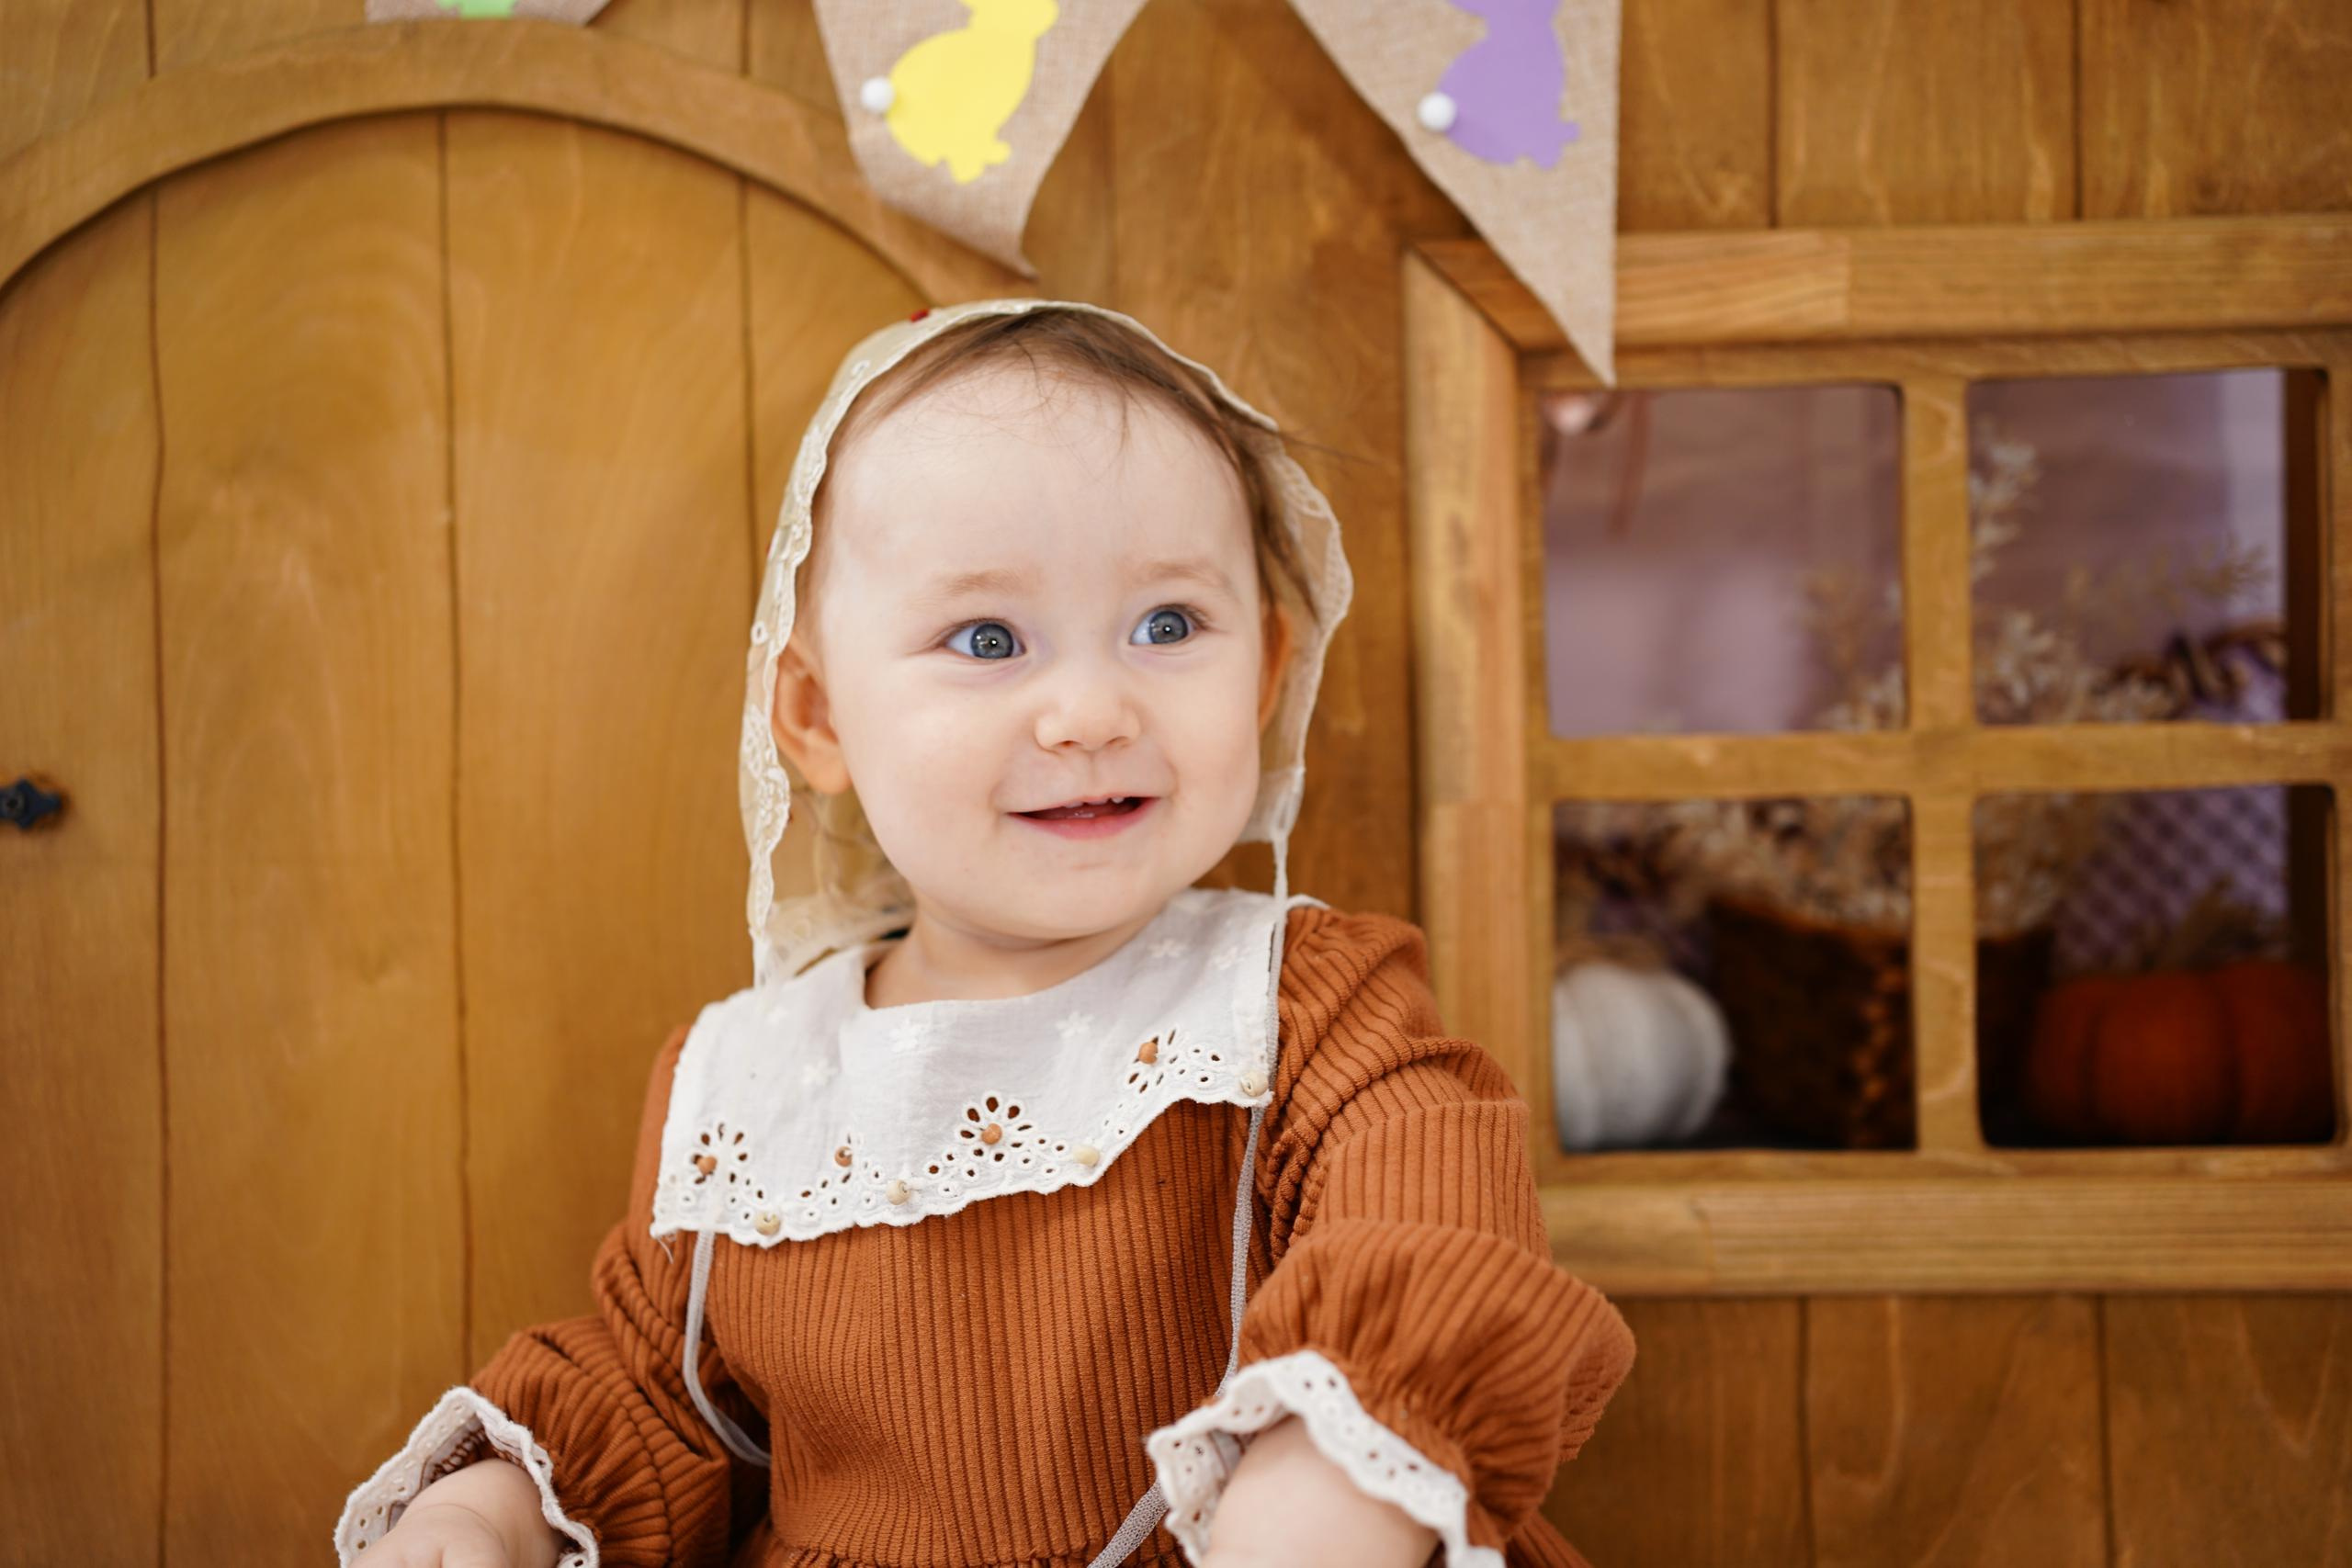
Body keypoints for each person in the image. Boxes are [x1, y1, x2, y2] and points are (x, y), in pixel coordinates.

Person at [333, 299, 1635, 1568]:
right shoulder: (748, 1080)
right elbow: (659, 1398)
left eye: (1168, 625)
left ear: (1269, 668)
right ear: (821, 718)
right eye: (988, 638)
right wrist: (492, 1512)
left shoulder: (1299, 1005)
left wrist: (1325, 1483)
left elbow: (1434, 1227)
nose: (1088, 708)